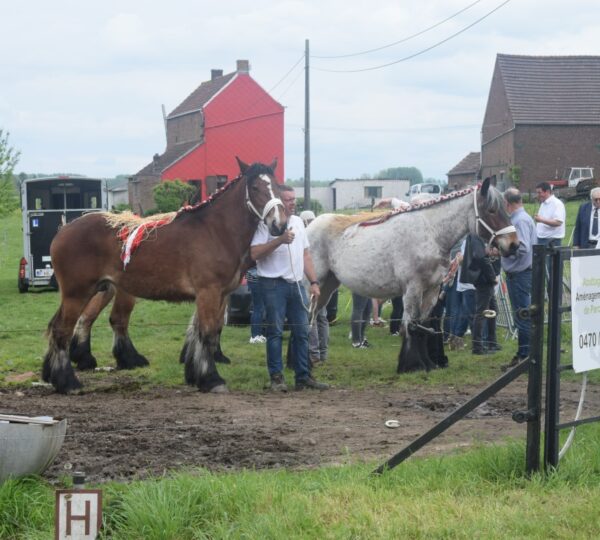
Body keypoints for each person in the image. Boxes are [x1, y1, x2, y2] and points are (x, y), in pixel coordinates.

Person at [250, 186, 328, 392]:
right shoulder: (264, 224)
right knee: (275, 332)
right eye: (288, 199)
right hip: (272, 284)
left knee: (302, 331)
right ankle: (277, 378)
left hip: (296, 284)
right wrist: (279, 240)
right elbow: (254, 253)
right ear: (278, 201)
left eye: (294, 199)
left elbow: (305, 255)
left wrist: (313, 282)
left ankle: (303, 376)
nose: (292, 203)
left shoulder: (298, 223)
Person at [501, 188, 537, 370]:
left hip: (520, 274)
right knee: (521, 314)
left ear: (507, 203)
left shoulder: (520, 220)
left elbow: (522, 248)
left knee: (522, 315)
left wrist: (504, 251)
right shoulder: (521, 219)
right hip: (520, 273)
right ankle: (524, 354)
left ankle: (525, 356)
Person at [300, 209, 329, 366]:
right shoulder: (321, 236)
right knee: (322, 317)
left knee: (313, 316)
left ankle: (314, 353)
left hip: (311, 280)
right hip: (321, 281)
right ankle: (323, 352)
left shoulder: (308, 236)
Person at [470, 236, 501, 355]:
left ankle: (491, 342)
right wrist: (492, 277)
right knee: (481, 313)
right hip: (484, 281)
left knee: (493, 311)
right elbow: (483, 259)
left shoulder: (480, 239)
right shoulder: (477, 239)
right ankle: (477, 346)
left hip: (486, 281)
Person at [534, 181, 566, 247]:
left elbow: (558, 222)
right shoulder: (543, 203)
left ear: (548, 191)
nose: (538, 195)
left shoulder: (557, 204)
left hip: (551, 241)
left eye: (539, 192)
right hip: (541, 239)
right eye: (537, 193)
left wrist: (541, 220)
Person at [246, 266, 266, 344]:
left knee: (259, 308)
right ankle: (255, 335)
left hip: (253, 278)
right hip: (256, 279)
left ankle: (258, 334)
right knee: (258, 308)